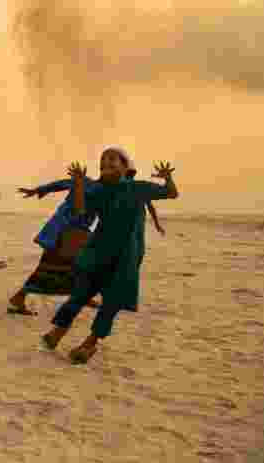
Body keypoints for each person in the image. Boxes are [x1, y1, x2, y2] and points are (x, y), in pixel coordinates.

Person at [40, 151, 179, 364]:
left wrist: (167, 177)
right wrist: (78, 183)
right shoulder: (98, 190)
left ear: (126, 167)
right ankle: (58, 331)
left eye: (112, 160)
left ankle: (90, 343)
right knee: (80, 293)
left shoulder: (138, 188)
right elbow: (79, 210)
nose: (106, 163)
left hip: (126, 255)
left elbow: (171, 193)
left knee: (111, 302)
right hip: (98, 250)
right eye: (102, 161)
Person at [9, 155, 166, 316]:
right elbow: (62, 185)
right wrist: (38, 190)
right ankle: (20, 297)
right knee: (61, 266)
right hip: (69, 230)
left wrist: (38, 190)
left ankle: (79, 296)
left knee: (72, 266)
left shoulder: (109, 189)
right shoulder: (91, 184)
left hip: (78, 230)